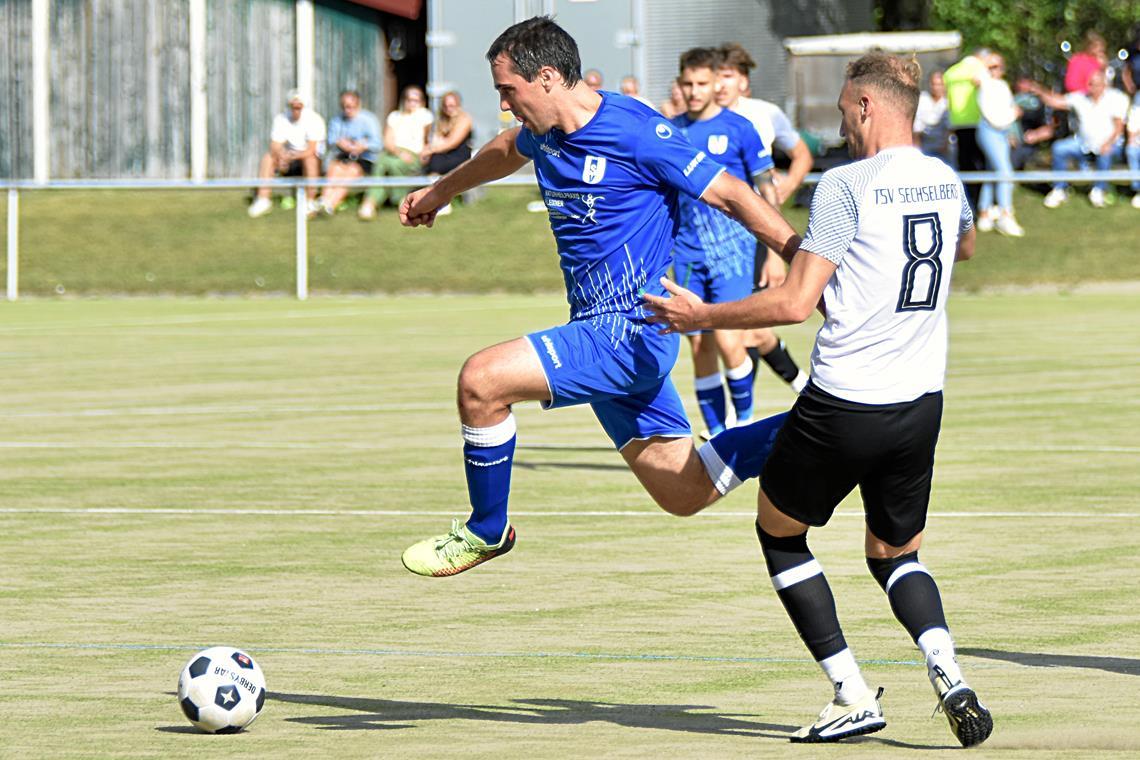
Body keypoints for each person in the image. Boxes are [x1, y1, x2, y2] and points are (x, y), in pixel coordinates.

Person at [644, 52, 991, 748]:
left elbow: (796, 304)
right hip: (919, 405)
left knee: (780, 534)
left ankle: (851, 692)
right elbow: (966, 249)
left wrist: (701, 318)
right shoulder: (945, 180)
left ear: (866, 106)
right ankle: (947, 669)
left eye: (842, 112)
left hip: (843, 404)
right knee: (895, 555)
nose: (842, 125)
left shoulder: (844, 184)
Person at [396, 16, 800, 578]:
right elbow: (505, 149)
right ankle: (822, 426)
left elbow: (730, 193)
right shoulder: (546, 130)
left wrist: (803, 260)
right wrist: (439, 192)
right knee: (683, 490)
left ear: (547, 78)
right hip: (599, 326)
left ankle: (487, 529)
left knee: (481, 382)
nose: (506, 105)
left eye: (508, 90)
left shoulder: (636, 132)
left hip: (629, 329)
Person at [669, 47, 775, 437]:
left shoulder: (739, 128)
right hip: (687, 254)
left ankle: (743, 423)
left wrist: (773, 250)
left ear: (717, 82)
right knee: (699, 347)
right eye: (688, 83)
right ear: (680, 84)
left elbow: (767, 190)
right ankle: (717, 434)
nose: (694, 91)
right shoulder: (669, 131)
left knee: (731, 342)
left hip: (733, 253)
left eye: (702, 83)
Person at [716, 42, 811, 396]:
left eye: (727, 76)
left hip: (755, 234)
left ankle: (735, 420)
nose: (720, 84)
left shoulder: (763, 114)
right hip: (718, 238)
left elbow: (800, 154)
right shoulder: (704, 119)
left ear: (743, 81)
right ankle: (803, 388)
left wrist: (785, 187)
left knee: (743, 326)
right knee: (744, 328)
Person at [1033, 70, 1129, 208]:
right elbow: (1055, 101)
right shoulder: (1080, 98)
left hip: (1109, 144)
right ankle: (1060, 188)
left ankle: (1099, 189)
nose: (1091, 87)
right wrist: (1039, 90)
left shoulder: (1115, 99)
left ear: (1103, 85)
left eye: (1095, 84)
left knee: (1105, 153)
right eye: (1089, 84)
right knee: (1059, 149)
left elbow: (1119, 127)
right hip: (1083, 143)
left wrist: (1107, 144)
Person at [248, 90, 326, 218]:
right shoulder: (281, 119)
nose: (295, 110)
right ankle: (263, 199)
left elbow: (312, 149)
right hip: (289, 159)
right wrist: (282, 155)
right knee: (268, 157)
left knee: (310, 159)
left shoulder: (315, 120)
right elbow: (275, 144)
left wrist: (293, 156)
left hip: (309, 160)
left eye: (298, 106)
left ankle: (310, 202)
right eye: (293, 106)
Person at [359, 85, 433, 219]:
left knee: (387, 164)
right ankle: (391, 200)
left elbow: (429, 139)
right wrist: (399, 153)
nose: (412, 103)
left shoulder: (425, 116)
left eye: (415, 100)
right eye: (409, 99)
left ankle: (371, 202)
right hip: (395, 152)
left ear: (421, 101)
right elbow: (388, 140)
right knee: (383, 162)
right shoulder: (394, 116)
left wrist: (426, 153)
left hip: (414, 155)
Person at [974, 54, 1025, 236]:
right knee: (1005, 172)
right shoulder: (985, 85)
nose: (994, 70)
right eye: (991, 67)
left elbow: (1007, 110)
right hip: (989, 131)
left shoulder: (1003, 86)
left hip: (1002, 132)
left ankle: (985, 212)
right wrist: (1012, 115)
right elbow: (995, 116)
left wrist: (1010, 130)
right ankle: (1005, 214)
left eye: (997, 66)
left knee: (993, 171)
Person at [314, 90, 381, 219]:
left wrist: (363, 146)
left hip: (364, 158)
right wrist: (341, 143)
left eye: (350, 107)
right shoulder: (337, 120)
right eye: (344, 106)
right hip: (344, 156)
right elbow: (331, 139)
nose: (347, 110)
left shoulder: (369, 119)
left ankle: (330, 204)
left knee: (351, 171)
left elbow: (377, 143)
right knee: (335, 169)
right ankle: (324, 199)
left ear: (358, 105)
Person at [944, 48, 991, 211]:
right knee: (980, 164)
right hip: (977, 121)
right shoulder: (979, 69)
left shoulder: (951, 73)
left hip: (957, 122)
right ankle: (980, 204)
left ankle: (967, 203)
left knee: (964, 165)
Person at [420, 90, 474, 217]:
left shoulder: (464, 119)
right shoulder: (440, 121)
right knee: (433, 163)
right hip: (442, 154)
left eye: (452, 105)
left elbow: (452, 142)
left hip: (458, 155)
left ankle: (440, 200)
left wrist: (429, 150)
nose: (449, 109)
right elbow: (434, 139)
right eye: (446, 106)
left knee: (436, 163)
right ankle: (435, 200)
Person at [913, 69, 952, 164]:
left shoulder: (949, 101)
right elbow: (917, 129)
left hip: (945, 146)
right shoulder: (922, 99)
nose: (937, 88)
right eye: (934, 84)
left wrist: (945, 146)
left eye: (940, 84)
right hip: (925, 146)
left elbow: (950, 128)